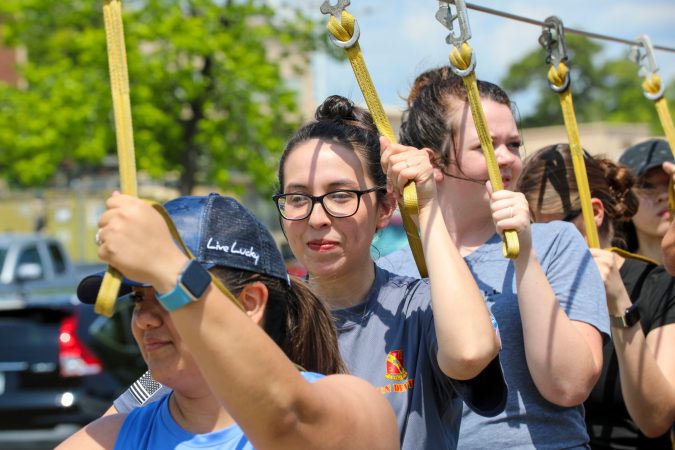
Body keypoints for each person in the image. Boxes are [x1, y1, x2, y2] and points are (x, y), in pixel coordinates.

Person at [110, 95, 507, 450]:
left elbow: (471, 353)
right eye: (297, 198)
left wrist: (428, 207)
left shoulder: (420, 307)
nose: (317, 218)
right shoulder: (254, 312)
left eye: (341, 195)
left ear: (385, 208)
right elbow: (125, 412)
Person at [377, 67, 608, 449]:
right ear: (433, 163)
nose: (508, 159)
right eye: (486, 145)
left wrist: (524, 255)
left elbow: (569, 385)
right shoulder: (391, 271)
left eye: (514, 144)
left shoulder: (556, 242)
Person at [56, 193, 399, 450]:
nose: (144, 318)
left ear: (250, 304)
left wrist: (169, 268)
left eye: (162, 293)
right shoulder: (113, 437)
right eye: (137, 298)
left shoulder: (354, 405)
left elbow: (287, 423)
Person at [519, 143, 675, 449]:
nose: (535, 243)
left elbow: (656, 420)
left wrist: (619, 304)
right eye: (529, 231)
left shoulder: (656, 285)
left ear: (594, 213)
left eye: (548, 229)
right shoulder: (531, 290)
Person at [617, 139, 674, 264]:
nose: (664, 195)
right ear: (624, 203)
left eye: (671, 183)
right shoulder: (612, 273)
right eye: (646, 186)